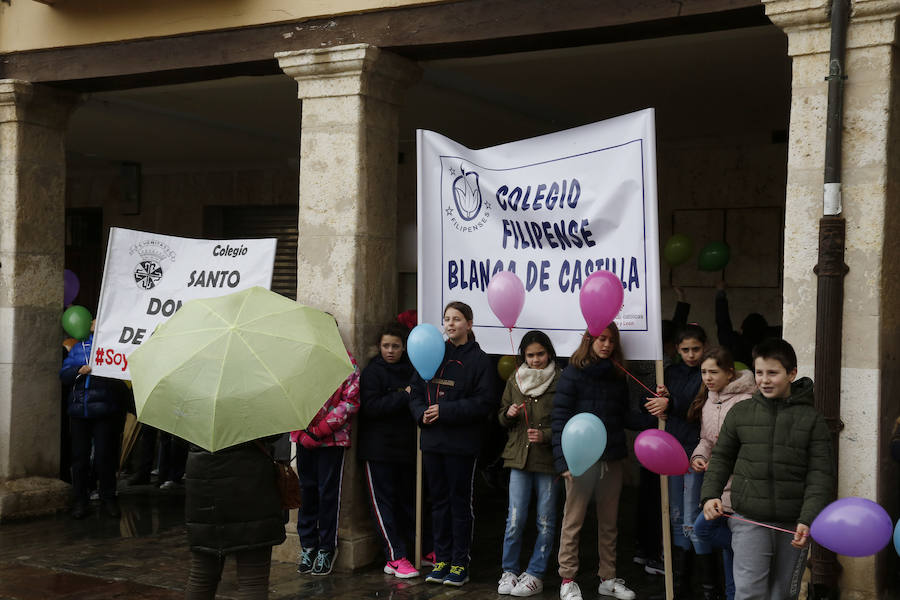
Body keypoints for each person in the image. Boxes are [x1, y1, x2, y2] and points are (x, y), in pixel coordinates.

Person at [700, 339, 835, 600]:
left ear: (792, 373)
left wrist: (807, 518)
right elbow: (722, 458)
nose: (764, 380)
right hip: (749, 518)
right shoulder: (741, 412)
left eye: (773, 373)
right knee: (749, 592)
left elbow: (820, 475)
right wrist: (710, 495)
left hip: (793, 524)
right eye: (759, 372)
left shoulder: (812, 420)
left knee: (782, 594)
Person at [409, 301, 495, 587]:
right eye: (446, 319)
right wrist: (421, 412)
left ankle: (460, 562)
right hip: (433, 442)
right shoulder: (433, 352)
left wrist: (445, 411)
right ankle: (441, 559)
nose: (450, 324)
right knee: (438, 503)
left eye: (457, 319)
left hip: (461, 445)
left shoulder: (480, 360)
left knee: (460, 504)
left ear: (469, 324)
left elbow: (483, 403)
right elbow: (416, 393)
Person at [552, 323, 641, 600]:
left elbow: (625, 416)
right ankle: (567, 579)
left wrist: (656, 413)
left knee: (609, 523)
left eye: (611, 340)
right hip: (580, 459)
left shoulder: (617, 375)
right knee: (573, 520)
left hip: (611, 458)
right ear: (589, 340)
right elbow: (559, 418)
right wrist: (562, 462)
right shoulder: (573, 374)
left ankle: (608, 577)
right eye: (601, 339)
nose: (606, 345)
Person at [496, 331, 561, 597]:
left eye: (540, 354)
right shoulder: (515, 378)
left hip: (547, 462)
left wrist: (545, 435)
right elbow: (500, 417)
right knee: (514, 518)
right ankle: (509, 570)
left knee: (545, 520)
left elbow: (566, 422)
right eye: (530, 355)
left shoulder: (561, 379)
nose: (535, 360)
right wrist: (508, 414)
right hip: (518, 459)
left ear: (550, 354)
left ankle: (535, 573)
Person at [688, 347, 756, 600]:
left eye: (713, 372)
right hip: (717, 480)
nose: (707, 377)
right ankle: (732, 593)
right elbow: (706, 438)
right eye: (703, 372)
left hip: (738, 480)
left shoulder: (746, 400)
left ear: (729, 373)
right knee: (727, 551)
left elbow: (748, 444)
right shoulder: (710, 398)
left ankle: (753, 551)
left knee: (705, 529)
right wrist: (699, 456)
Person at [184, 436, 286, 599]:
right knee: (253, 581)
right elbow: (274, 433)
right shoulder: (252, 410)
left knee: (202, 575)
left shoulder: (196, 413)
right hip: (251, 484)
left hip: (204, 485)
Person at [649, 323, 707, 596]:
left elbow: (693, 405)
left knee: (691, 515)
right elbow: (648, 401)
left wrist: (670, 404)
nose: (691, 354)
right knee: (673, 514)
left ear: (704, 348)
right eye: (685, 349)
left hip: (696, 450)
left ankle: (701, 583)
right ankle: (678, 583)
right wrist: (656, 401)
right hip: (671, 449)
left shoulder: (707, 373)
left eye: (696, 349)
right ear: (677, 349)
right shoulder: (669, 372)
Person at [358, 322, 419, 579]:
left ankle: (415, 551)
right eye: (386, 346)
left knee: (407, 503)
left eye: (395, 346)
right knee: (383, 505)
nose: (390, 351)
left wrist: (403, 396)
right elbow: (371, 407)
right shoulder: (373, 372)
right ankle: (395, 556)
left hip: (405, 448)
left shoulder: (411, 371)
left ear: (404, 347)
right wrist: (402, 397)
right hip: (378, 450)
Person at [292, 348, 360, 576]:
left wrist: (319, 431)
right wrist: (300, 432)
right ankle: (308, 545)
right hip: (303, 439)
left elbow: (350, 402)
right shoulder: (299, 360)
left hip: (332, 441)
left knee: (328, 493)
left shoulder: (346, 363)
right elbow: (286, 398)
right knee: (306, 491)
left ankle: (326, 547)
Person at [59, 329, 131, 519]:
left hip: (104, 411)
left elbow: (122, 379)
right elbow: (64, 375)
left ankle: (108, 498)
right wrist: (77, 370)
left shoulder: (114, 347)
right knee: (79, 459)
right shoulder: (78, 347)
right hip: (79, 411)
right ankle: (80, 501)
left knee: (104, 457)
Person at [715, 282, 768, 367]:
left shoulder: (732, 342)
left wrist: (720, 292)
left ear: (742, 328)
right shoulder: (767, 350)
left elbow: (722, 321)